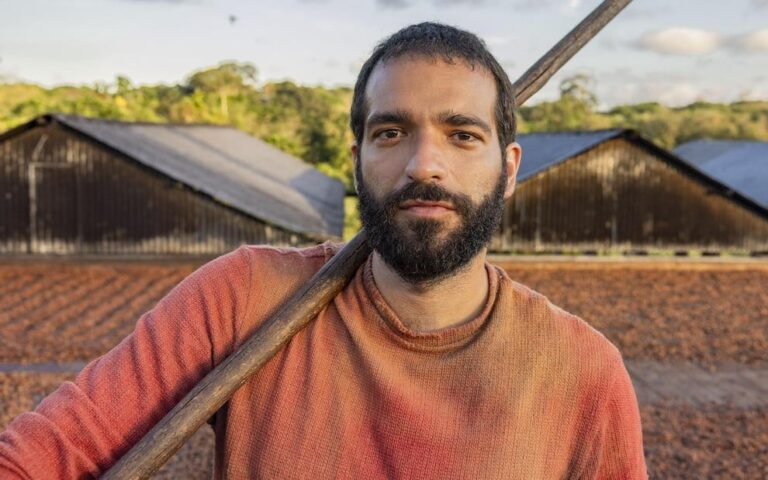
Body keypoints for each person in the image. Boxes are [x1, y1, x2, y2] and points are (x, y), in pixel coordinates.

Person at [0, 22, 647, 479]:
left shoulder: (583, 373)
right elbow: (38, 457)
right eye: (391, 132)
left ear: (508, 169)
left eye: (462, 135)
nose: (425, 164)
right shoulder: (246, 297)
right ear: (357, 160)